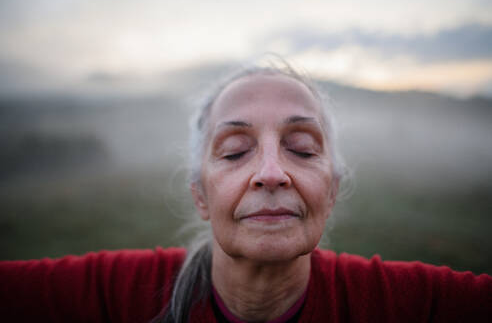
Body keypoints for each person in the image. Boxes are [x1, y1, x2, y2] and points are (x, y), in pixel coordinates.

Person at [1, 61, 491, 323]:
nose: (272, 172)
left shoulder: (396, 303)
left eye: (301, 147)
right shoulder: (119, 297)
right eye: (235, 151)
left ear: (333, 190)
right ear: (200, 195)